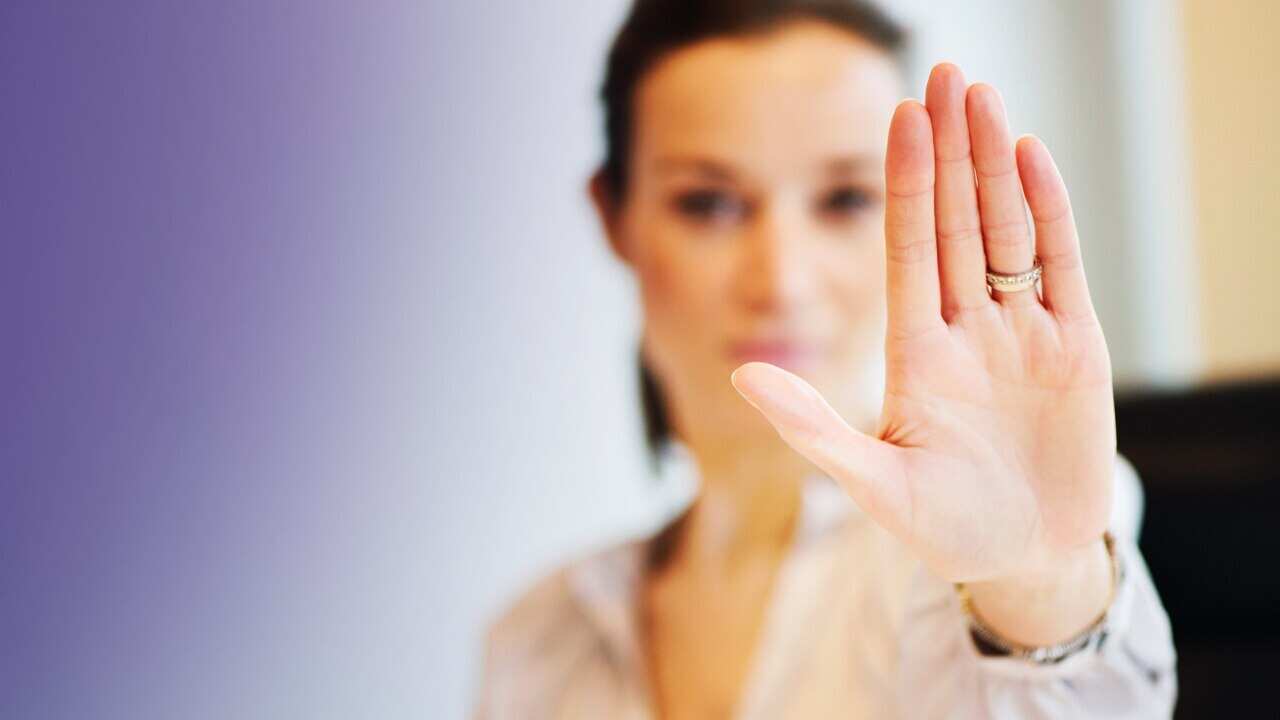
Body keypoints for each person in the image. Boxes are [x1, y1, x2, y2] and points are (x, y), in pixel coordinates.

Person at [473, 0, 1177, 717]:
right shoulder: (536, 643)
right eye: (708, 203)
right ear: (614, 217)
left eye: (844, 199)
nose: (782, 280)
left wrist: (1040, 587)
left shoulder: (975, 552)